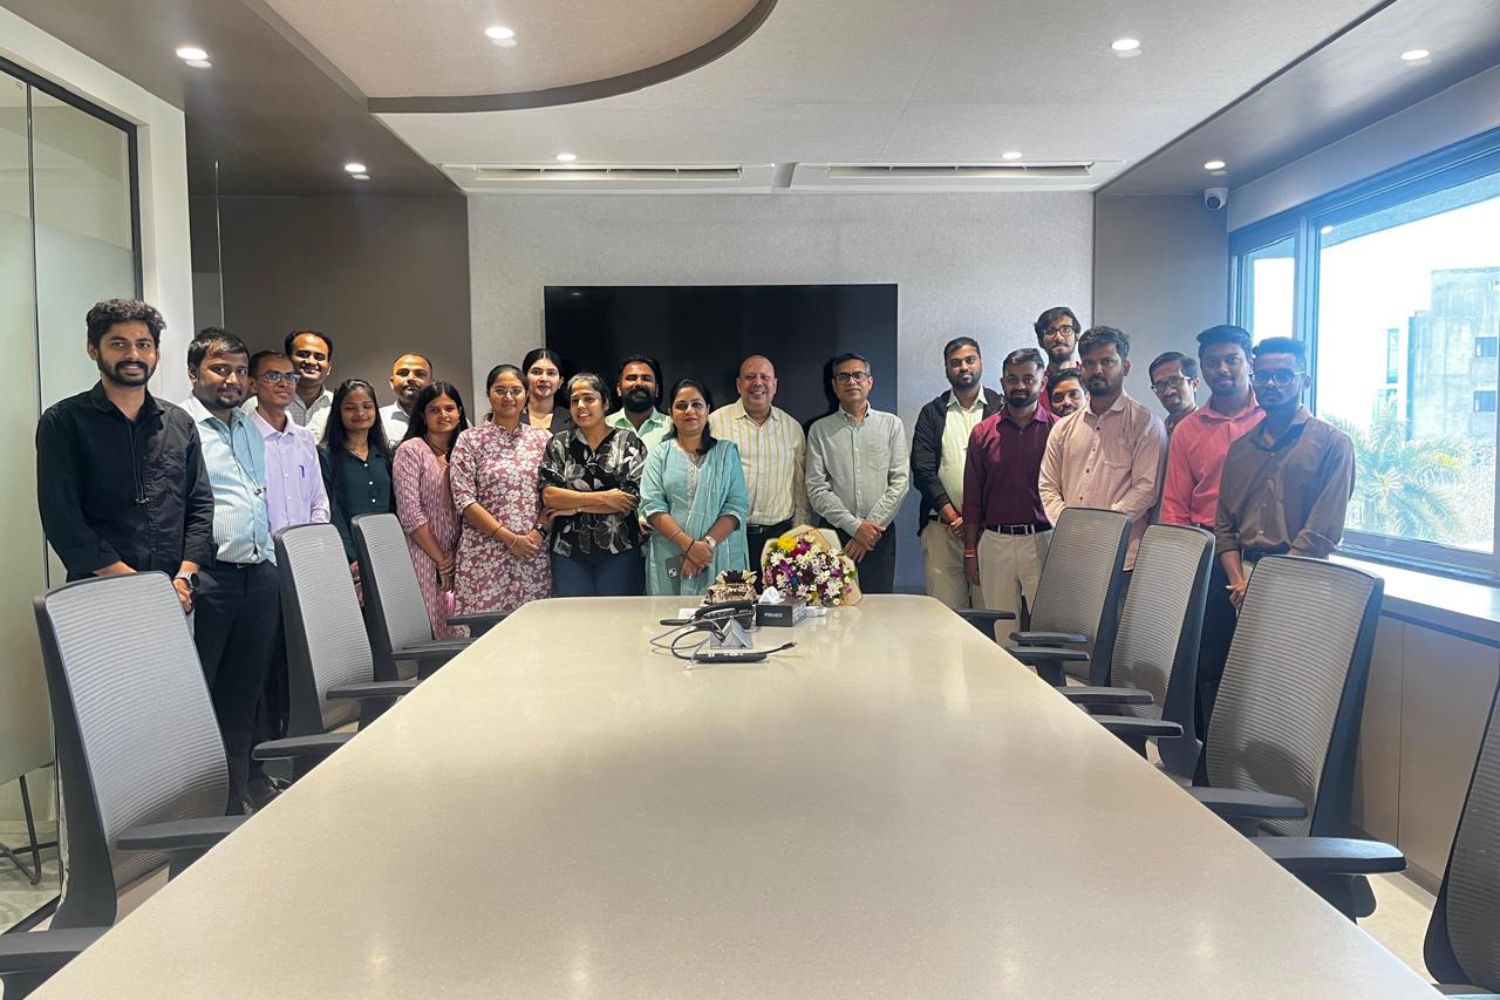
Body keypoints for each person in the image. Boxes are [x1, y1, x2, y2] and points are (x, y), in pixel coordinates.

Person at [1211, 336, 1355, 721]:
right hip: (1244, 580)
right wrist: (1239, 582)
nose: (1271, 384)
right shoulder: (1240, 449)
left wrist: (1268, 582)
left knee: (1293, 693)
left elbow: (1322, 531)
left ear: (1304, 380)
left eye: (1283, 375)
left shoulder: (1333, 444)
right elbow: (1225, 527)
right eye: (1263, 376)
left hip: (1304, 578)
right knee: (1248, 690)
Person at [36, 299, 212, 608]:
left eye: (143, 344)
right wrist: (137, 584)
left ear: (156, 353)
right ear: (93, 349)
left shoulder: (179, 423)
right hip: (98, 594)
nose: (133, 355)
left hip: (174, 593)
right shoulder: (64, 422)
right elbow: (62, 519)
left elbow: (200, 506)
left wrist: (184, 577)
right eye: (118, 344)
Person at [181, 328, 278, 815]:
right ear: (193, 371)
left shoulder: (247, 426)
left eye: (240, 371)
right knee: (202, 694)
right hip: (210, 577)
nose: (232, 379)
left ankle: (236, 797)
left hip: (257, 574)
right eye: (220, 369)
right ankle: (203, 809)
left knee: (245, 694)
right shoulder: (180, 427)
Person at [1158, 326, 1263, 736]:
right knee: (1210, 662)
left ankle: (1254, 758)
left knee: (1262, 666)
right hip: (1210, 558)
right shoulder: (1189, 429)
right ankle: (1209, 757)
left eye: (1231, 359)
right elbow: (1174, 505)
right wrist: (1180, 569)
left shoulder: (1272, 417)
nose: (1222, 369)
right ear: (1201, 369)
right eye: (1212, 362)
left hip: (1267, 555)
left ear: (1249, 363)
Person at [247, 349, 330, 794]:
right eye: (273, 376)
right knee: (261, 672)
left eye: (290, 377)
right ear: (253, 383)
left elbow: (318, 500)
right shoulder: (244, 435)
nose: (284, 384)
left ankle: (291, 763)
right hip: (261, 570)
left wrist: (309, 548)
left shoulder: (302, 439)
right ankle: (258, 771)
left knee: (294, 668)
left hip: (301, 569)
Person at [1038, 326, 1167, 573]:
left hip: (1122, 557)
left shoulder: (1146, 424)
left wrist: (1101, 528)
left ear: (1125, 367)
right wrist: (1068, 525)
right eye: (1089, 363)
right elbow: (1048, 485)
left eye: (1107, 361)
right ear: (1081, 368)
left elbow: (1146, 489)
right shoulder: (1063, 428)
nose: (1097, 370)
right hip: (1070, 552)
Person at [450, 365, 555, 615]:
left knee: (533, 628)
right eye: (500, 390)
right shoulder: (470, 439)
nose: (508, 397)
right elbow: (464, 499)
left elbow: (553, 494)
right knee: (485, 630)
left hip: (532, 553)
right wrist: (510, 539)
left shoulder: (543, 439)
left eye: (516, 391)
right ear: (488, 394)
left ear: (526, 395)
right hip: (484, 554)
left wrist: (537, 534)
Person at [961, 348, 1055, 622]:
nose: (1020, 386)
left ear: (1042, 382)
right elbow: (972, 498)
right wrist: (970, 551)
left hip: (1043, 540)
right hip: (995, 542)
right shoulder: (983, 432)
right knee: (1001, 627)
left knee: (1047, 626)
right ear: (1003, 382)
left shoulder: (1058, 431)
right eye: (1012, 379)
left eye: (1028, 379)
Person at [910, 337, 1002, 609]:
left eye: (969, 360)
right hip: (943, 529)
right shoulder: (932, 413)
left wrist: (977, 519)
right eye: (956, 363)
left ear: (981, 362)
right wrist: (954, 518)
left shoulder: (1001, 407)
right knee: (945, 614)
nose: (963, 367)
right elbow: (923, 470)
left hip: (989, 531)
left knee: (991, 612)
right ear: (946, 369)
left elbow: (1008, 471)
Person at [806, 353, 910, 594]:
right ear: (834, 385)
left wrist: (867, 532)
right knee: (834, 606)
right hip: (834, 535)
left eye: (858, 375)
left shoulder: (891, 425)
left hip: (879, 535)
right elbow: (817, 489)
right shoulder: (820, 430)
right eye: (843, 377)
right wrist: (855, 528)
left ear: (869, 381)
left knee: (879, 607)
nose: (851, 381)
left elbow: (900, 483)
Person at [539, 373, 648, 596]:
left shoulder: (628, 442)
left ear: (605, 403)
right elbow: (549, 496)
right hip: (568, 553)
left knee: (618, 615)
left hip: (620, 550)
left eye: (589, 399)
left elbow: (629, 500)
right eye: (575, 401)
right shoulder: (559, 443)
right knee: (575, 616)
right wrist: (605, 498)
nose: (581, 406)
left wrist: (573, 506)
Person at [642, 380, 750, 596]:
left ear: (708, 410)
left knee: (721, 614)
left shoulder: (726, 453)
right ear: (671, 413)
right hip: (671, 553)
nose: (689, 411)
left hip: (719, 554)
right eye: (681, 406)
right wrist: (690, 547)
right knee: (669, 614)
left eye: (697, 404)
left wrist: (705, 547)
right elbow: (652, 506)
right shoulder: (659, 455)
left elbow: (736, 506)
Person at [710, 355, 810, 570]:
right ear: (738, 385)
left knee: (774, 594)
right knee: (730, 593)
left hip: (779, 539)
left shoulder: (792, 428)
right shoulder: (715, 424)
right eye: (750, 377)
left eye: (765, 377)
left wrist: (800, 534)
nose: (758, 383)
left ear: (775, 385)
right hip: (728, 537)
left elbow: (800, 489)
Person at [393, 382, 470, 639]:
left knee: (462, 630)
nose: (443, 415)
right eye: (434, 410)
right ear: (422, 415)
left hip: (462, 554)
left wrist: (455, 556)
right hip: (423, 552)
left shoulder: (465, 450)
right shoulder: (411, 450)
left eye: (449, 408)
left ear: (459, 412)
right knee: (429, 629)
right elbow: (410, 514)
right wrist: (441, 560)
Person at [320, 378, 395, 598]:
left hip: (388, 551)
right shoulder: (325, 455)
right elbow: (331, 509)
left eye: (367, 406)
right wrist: (351, 555)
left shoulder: (386, 455)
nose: (360, 413)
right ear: (338, 412)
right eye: (350, 408)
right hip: (347, 558)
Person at [605, 354, 671, 451]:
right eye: (631, 378)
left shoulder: (673, 427)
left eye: (646, 378)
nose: (639, 383)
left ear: (657, 390)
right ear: (619, 389)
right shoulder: (604, 426)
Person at [285, 329, 335, 440]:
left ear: (329, 367)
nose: (311, 361)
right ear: (287, 361)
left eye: (319, 357)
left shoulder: (338, 405)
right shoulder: (261, 404)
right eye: (303, 354)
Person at [1034, 306, 1081, 413]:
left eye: (1066, 329)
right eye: (1050, 331)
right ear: (1040, 341)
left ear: (1077, 336)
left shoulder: (1093, 380)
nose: (1059, 337)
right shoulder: (1035, 388)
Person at [520, 348, 575, 437]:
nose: (544, 378)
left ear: (560, 382)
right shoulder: (511, 416)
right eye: (536, 372)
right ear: (524, 378)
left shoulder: (573, 420)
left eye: (551, 373)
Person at [379, 352, 433, 439]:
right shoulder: (377, 419)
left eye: (420, 374)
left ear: (431, 383)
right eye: (403, 373)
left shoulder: (446, 419)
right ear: (392, 382)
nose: (411, 378)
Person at [1149, 351, 1201, 434]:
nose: (1168, 392)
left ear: (1195, 384)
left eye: (1175, 381)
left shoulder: (1211, 430)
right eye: (1160, 385)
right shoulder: (1157, 433)